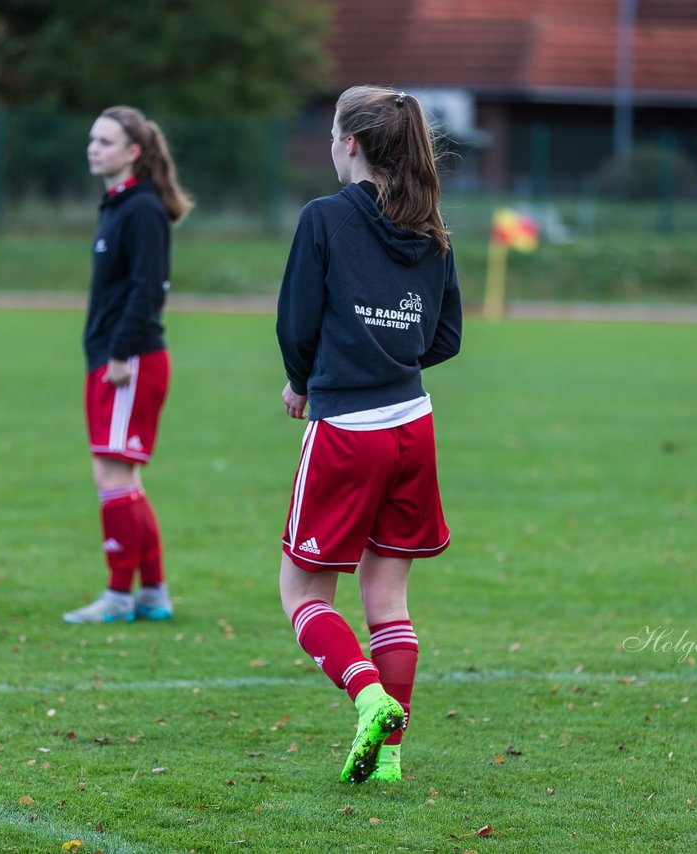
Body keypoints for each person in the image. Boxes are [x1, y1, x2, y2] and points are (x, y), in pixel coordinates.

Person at [276, 86, 462, 783]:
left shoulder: (323, 218)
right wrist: (391, 353)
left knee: (303, 596)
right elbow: (444, 336)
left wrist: (302, 379)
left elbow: (296, 321)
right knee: (388, 601)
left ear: (349, 143)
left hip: (348, 428)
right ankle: (389, 762)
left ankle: (368, 697)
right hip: (413, 424)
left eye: (330, 133)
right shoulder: (431, 226)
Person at [63, 105, 193, 624]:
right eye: (92, 139)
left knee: (111, 474)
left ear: (133, 152)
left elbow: (149, 288)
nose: (93, 148)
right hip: (111, 358)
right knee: (124, 477)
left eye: (106, 141)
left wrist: (120, 353)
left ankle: (119, 597)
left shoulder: (142, 209)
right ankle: (153, 593)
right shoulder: (117, 204)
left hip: (129, 361)